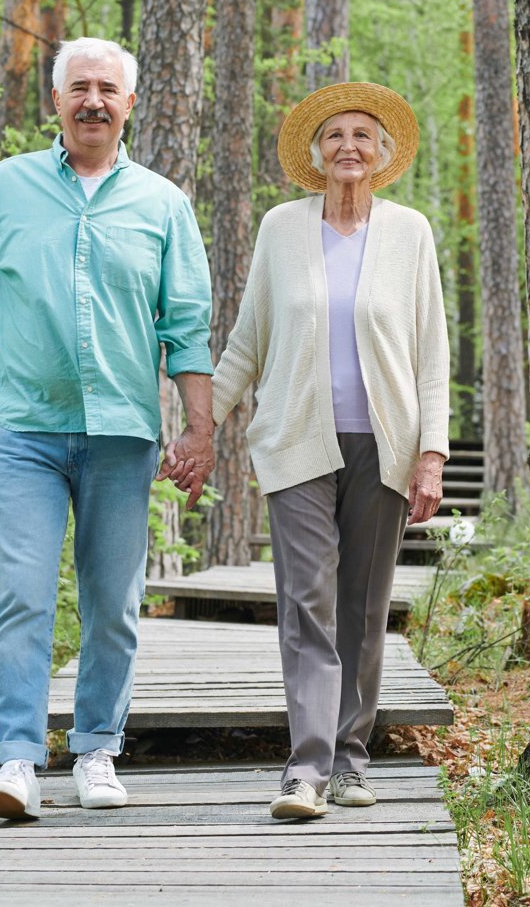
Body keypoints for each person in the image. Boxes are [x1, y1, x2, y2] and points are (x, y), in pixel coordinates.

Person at [0, 37, 214, 820]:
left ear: (130, 104)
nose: (93, 100)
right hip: (23, 430)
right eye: (79, 87)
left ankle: (96, 749)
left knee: (112, 602)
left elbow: (188, 328)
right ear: (55, 102)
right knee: (20, 594)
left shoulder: (162, 203)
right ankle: (17, 758)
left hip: (122, 433)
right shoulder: (5, 188)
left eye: (107, 89)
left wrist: (199, 430)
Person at [190, 82, 448, 820]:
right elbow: (247, 340)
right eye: (335, 135)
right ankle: (305, 768)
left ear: (383, 153)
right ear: (315, 152)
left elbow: (432, 351)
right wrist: (203, 421)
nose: (348, 147)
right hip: (298, 439)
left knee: (364, 607)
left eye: (363, 135)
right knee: (306, 601)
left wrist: (431, 451)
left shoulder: (410, 233)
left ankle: (349, 761)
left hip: (385, 444)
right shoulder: (281, 228)